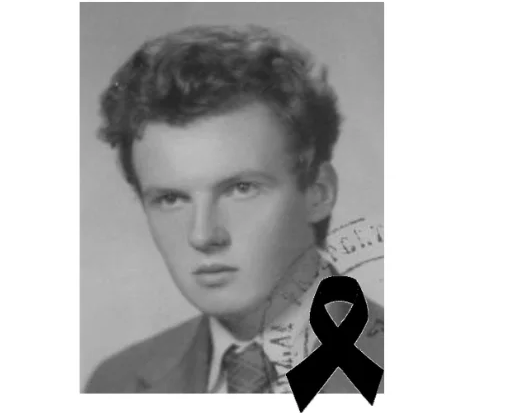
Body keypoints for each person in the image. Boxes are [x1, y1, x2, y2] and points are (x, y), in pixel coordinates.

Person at [83, 24, 383, 394]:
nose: (203, 235)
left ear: (318, 193)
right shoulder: (115, 384)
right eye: (171, 199)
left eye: (241, 189)